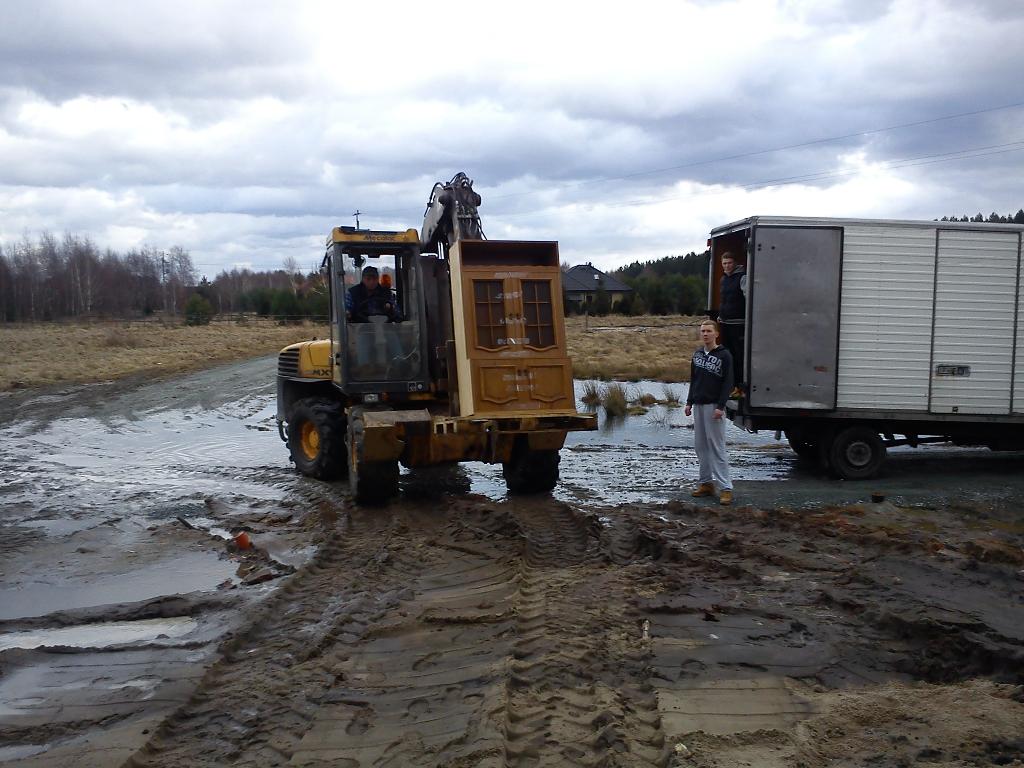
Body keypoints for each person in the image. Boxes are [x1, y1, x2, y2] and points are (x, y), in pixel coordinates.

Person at [685, 319, 735, 505]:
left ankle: (726, 488)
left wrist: (721, 407)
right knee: (701, 446)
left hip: (714, 406)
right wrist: (689, 402)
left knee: (716, 446)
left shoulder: (724, 356)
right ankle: (706, 483)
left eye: (708, 331)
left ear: (716, 334)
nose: (705, 334)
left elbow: (728, 383)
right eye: (702, 331)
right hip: (698, 404)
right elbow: (694, 379)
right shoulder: (697, 354)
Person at [718, 252, 746, 396]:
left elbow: (749, 297)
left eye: (729, 263)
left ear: (734, 263)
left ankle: (740, 387)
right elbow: (724, 300)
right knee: (727, 356)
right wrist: (720, 316)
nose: (727, 266)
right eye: (724, 263)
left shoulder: (742, 277)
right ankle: (731, 386)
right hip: (725, 323)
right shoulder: (724, 279)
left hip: (738, 324)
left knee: (739, 356)